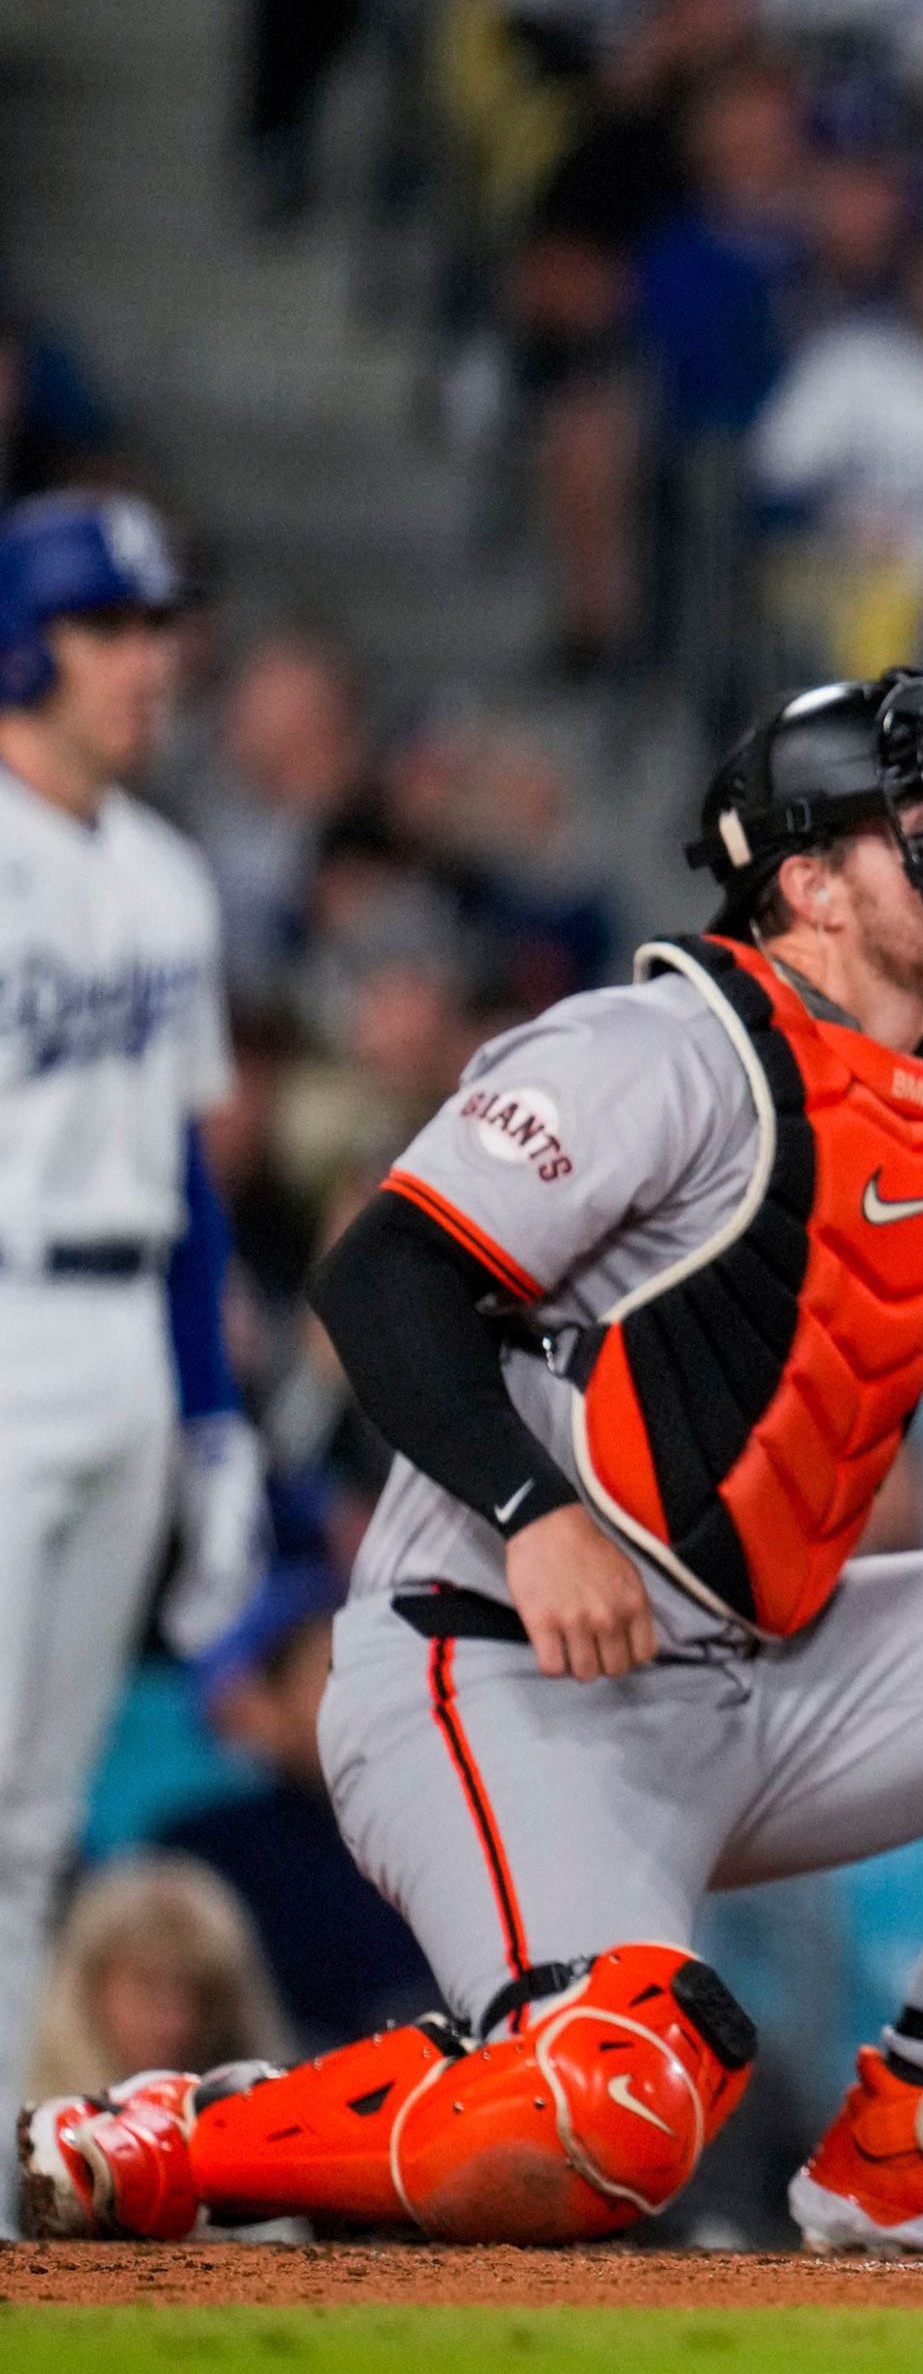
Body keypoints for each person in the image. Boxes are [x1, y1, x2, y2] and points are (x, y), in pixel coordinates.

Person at [17, 671, 923, 2259]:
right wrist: (533, 1508)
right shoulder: (655, 1046)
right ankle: (168, 2142)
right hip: (501, 1669)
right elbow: (384, 1280)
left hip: (753, 1682)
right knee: (610, 2111)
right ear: (810, 877)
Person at [0, 496, 262, 2235]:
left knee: (34, 1822)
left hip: (121, 1325)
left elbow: (185, 1166)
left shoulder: (166, 873)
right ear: (29, 645)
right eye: (114, 627)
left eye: (158, 626)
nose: (150, 660)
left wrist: (217, 1416)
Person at [154, 1565, 435, 2051]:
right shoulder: (203, 1851)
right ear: (269, 1706)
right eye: (329, 1679)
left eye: (376, 1680)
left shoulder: (455, 1839)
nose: (357, 1706)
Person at [23, 1858, 290, 2106]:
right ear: (91, 1987)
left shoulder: (277, 2118)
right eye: (148, 1989)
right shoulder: (16, 2126)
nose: (175, 2024)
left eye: (201, 1995)